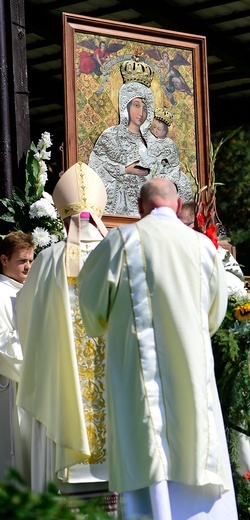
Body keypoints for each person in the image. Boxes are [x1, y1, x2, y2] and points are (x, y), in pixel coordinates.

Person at [78, 177, 238, 519]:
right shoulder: (203, 247)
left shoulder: (122, 241)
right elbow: (214, 315)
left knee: (145, 445)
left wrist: (106, 323)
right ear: (178, 206)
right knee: (196, 437)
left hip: (136, 375)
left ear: (139, 207)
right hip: (192, 370)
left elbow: (91, 305)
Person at [15, 164, 114, 509]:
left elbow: (24, 314)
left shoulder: (49, 258)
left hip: (68, 381)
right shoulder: (119, 254)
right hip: (116, 374)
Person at [88, 57, 155, 216]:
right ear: (126, 105)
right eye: (136, 105)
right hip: (117, 208)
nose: (141, 113)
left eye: (145, 108)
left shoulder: (150, 142)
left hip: (145, 209)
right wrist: (125, 170)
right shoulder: (111, 135)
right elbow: (95, 168)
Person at [0, 231, 34, 481]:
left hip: (29, 382)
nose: (28, 266)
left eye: (31, 260)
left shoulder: (29, 289)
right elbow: (3, 343)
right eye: (22, 260)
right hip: (10, 383)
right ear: (4, 259)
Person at [146, 107, 194, 202]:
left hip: (166, 171)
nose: (155, 130)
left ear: (165, 131)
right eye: (154, 127)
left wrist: (165, 162)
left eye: (159, 129)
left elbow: (174, 163)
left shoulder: (169, 143)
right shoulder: (149, 139)